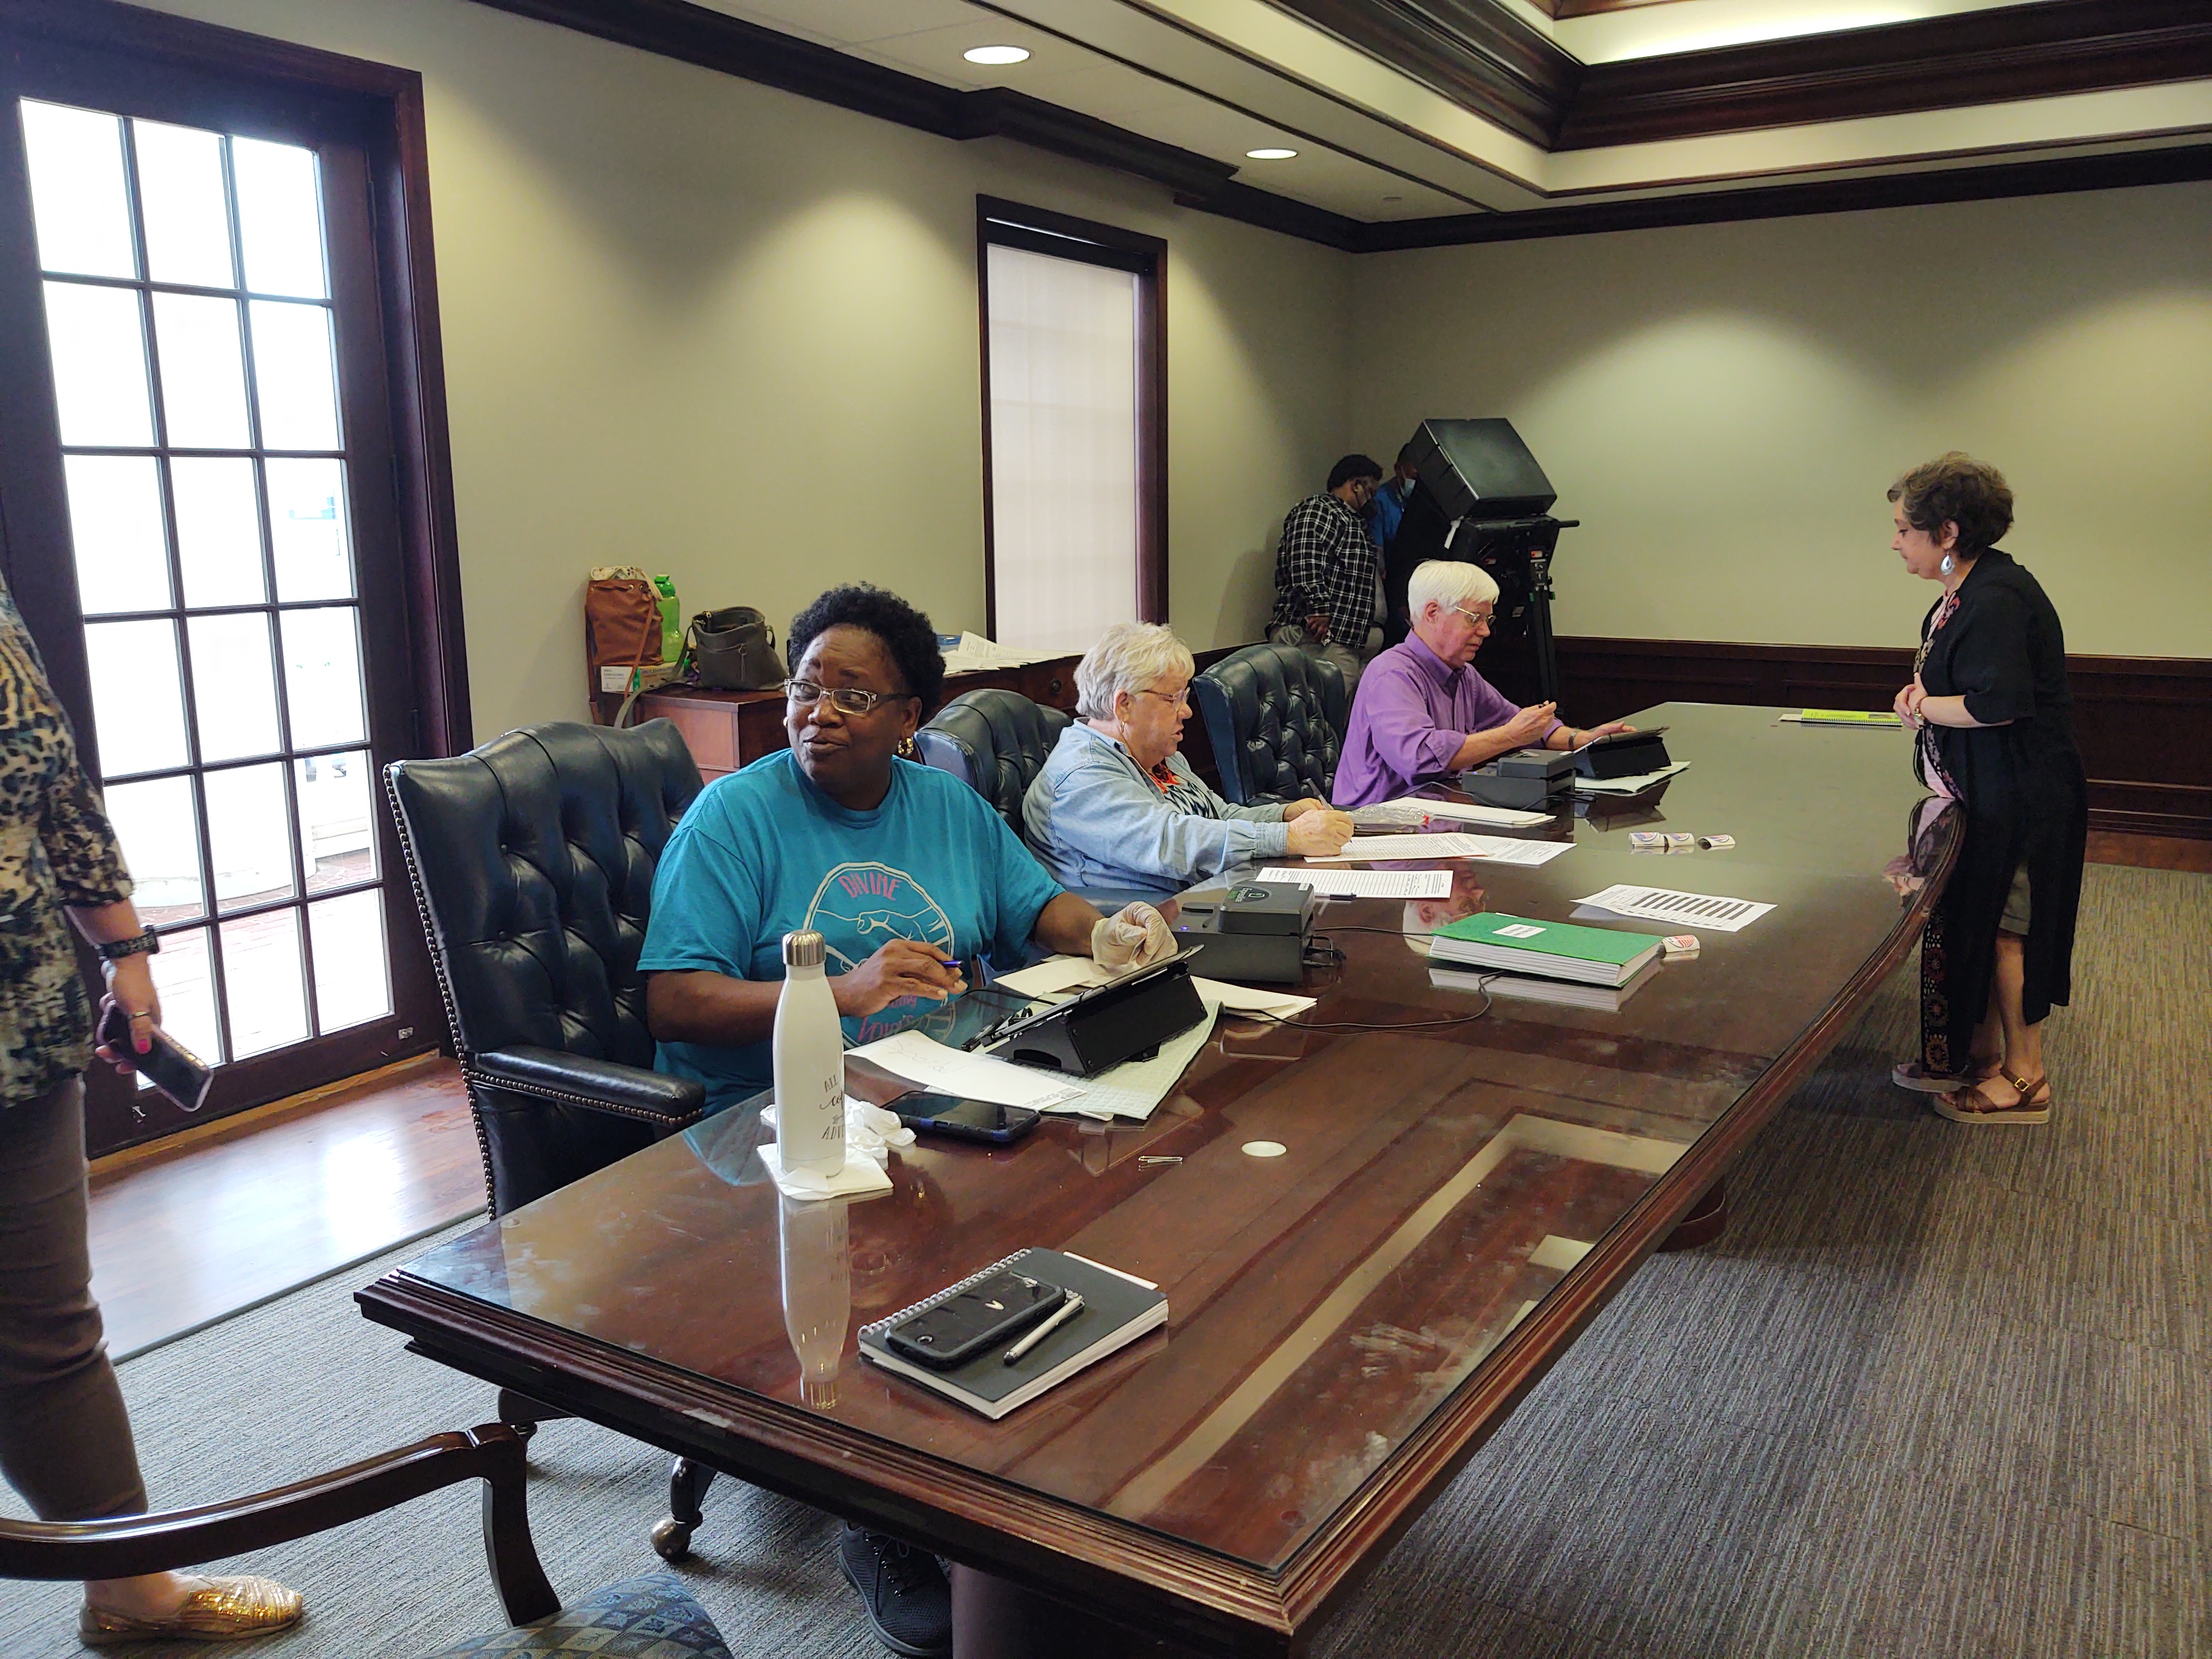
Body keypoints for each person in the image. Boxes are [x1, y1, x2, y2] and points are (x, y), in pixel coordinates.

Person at [639, 583, 1172, 1658]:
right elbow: (673, 999)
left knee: (1086, 1190)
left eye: (852, 695)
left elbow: (1034, 907)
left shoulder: (946, 807)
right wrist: (837, 991)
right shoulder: (733, 818)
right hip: (772, 1125)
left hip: (933, 1089)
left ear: (908, 719)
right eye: (806, 688)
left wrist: (1105, 933)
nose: (818, 713)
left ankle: (1042, 1471)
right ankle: (878, 1511)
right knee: (907, 1254)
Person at [0, 583, 304, 1646]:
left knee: (48, 1332)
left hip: (19, 1036)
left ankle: (129, 1588)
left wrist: (126, 954)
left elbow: (57, 794)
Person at [1885, 454, 2086, 1124]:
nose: (1894, 543)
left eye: (1904, 530)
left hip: (2024, 796)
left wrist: (1922, 704)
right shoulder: (1963, 592)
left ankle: (2026, 1080)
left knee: (2010, 930)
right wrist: (1921, 698)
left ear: (1946, 532)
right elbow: (1958, 686)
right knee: (1985, 920)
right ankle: (1981, 1056)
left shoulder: (1998, 598)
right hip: (1988, 791)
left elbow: (1997, 704)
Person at [1025, 622, 1353, 896]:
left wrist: (1282, 816)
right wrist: (1287, 838)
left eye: (1185, 697)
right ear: (1124, 705)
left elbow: (1219, 816)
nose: (1186, 711)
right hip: (1138, 930)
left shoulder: (1156, 754)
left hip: (1200, 904)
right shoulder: (1082, 775)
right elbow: (1170, 842)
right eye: (1173, 699)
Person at [1331, 560, 1632, 809]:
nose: (1486, 631)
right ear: (1433, 613)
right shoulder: (1392, 674)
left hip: (1436, 814)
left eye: (1488, 619)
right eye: (1474, 618)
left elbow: (1527, 725)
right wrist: (1509, 736)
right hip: (1376, 827)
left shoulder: (1463, 674)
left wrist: (1584, 739)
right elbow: (1419, 758)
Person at [1268, 454, 1385, 693]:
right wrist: (1319, 608)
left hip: (1350, 639)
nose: (1372, 500)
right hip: (1322, 638)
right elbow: (1305, 558)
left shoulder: (1354, 521)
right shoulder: (1320, 509)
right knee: (1327, 706)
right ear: (1356, 485)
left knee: (1345, 709)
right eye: (1371, 492)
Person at [1369, 443, 1422, 644]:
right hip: (1390, 587)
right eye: (1413, 477)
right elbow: (1377, 553)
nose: (1416, 482)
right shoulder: (1380, 501)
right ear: (1398, 469)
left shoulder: (1420, 501)